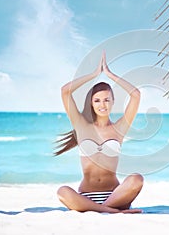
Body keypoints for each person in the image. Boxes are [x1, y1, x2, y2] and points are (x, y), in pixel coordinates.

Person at [54, 50, 143, 213]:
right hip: (86, 197)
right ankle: (111, 211)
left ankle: (105, 208)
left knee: (137, 179)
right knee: (62, 191)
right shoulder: (82, 126)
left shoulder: (119, 128)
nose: (102, 104)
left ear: (113, 102)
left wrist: (110, 74)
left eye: (107, 100)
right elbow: (65, 91)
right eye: (97, 100)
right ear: (91, 104)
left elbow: (136, 95)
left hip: (116, 196)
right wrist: (94, 74)